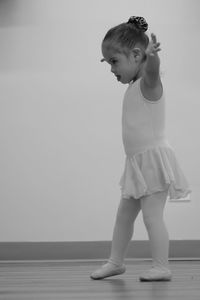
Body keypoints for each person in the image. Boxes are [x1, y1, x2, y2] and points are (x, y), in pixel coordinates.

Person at [90, 16, 191, 281]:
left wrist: (153, 58)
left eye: (114, 61)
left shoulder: (148, 84)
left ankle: (162, 266)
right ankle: (115, 261)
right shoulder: (134, 87)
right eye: (107, 62)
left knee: (151, 216)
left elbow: (153, 71)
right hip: (136, 164)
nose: (111, 68)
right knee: (123, 216)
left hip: (153, 162)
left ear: (137, 55)